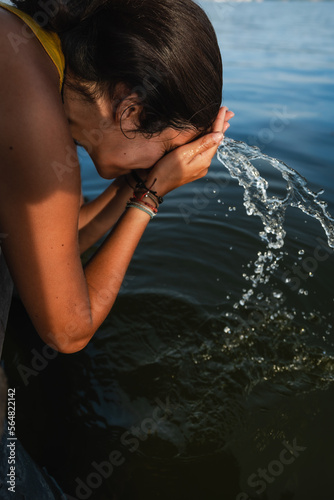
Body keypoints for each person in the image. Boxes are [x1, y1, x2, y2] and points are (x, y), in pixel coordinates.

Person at [0, 0, 234, 354]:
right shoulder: (33, 107)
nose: (167, 164)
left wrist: (141, 182)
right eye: (168, 151)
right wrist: (151, 196)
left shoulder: (31, 50)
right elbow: (68, 330)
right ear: (131, 110)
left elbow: (60, 246)